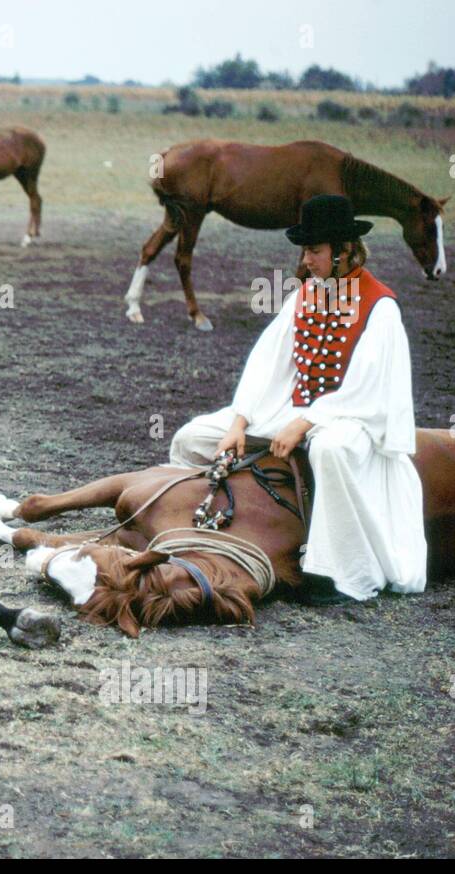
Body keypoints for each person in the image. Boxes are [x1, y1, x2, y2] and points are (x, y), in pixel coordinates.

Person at [168, 194, 425, 605]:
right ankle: (193, 529)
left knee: (331, 449)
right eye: (306, 250)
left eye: (315, 250)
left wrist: (306, 423)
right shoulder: (303, 295)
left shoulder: (380, 307)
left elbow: (368, 386)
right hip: (292, 409)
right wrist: (240, 422)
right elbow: (267, 364)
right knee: (192, 437)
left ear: (344, 250)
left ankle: (340, 573)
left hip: (352, 418)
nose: (306, 260)